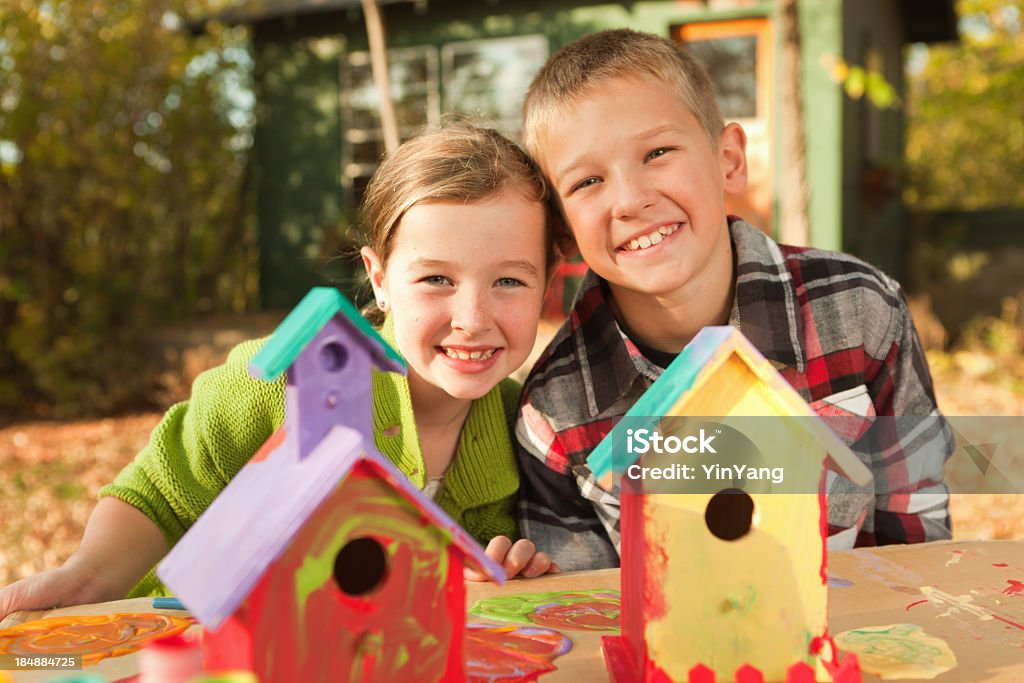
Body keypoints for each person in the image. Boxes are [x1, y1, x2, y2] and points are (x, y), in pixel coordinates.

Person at [0, 121, 559, 620]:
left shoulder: (523, 424)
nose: (472, 319)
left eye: (509, 280)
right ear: (381, 278)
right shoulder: (283, 380)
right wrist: (89, 577)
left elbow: (466, 579)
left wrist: (498, 568)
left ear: (545, 285)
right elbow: (163, 493)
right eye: (436, 279)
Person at [514, 29, 954, 571]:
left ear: (728, 160)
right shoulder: (554, 413)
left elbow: (920, 542)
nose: (631, 199)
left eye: (657, 152)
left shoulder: (861, 312)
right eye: (587, 182)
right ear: (561, 230)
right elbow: (586, 609)